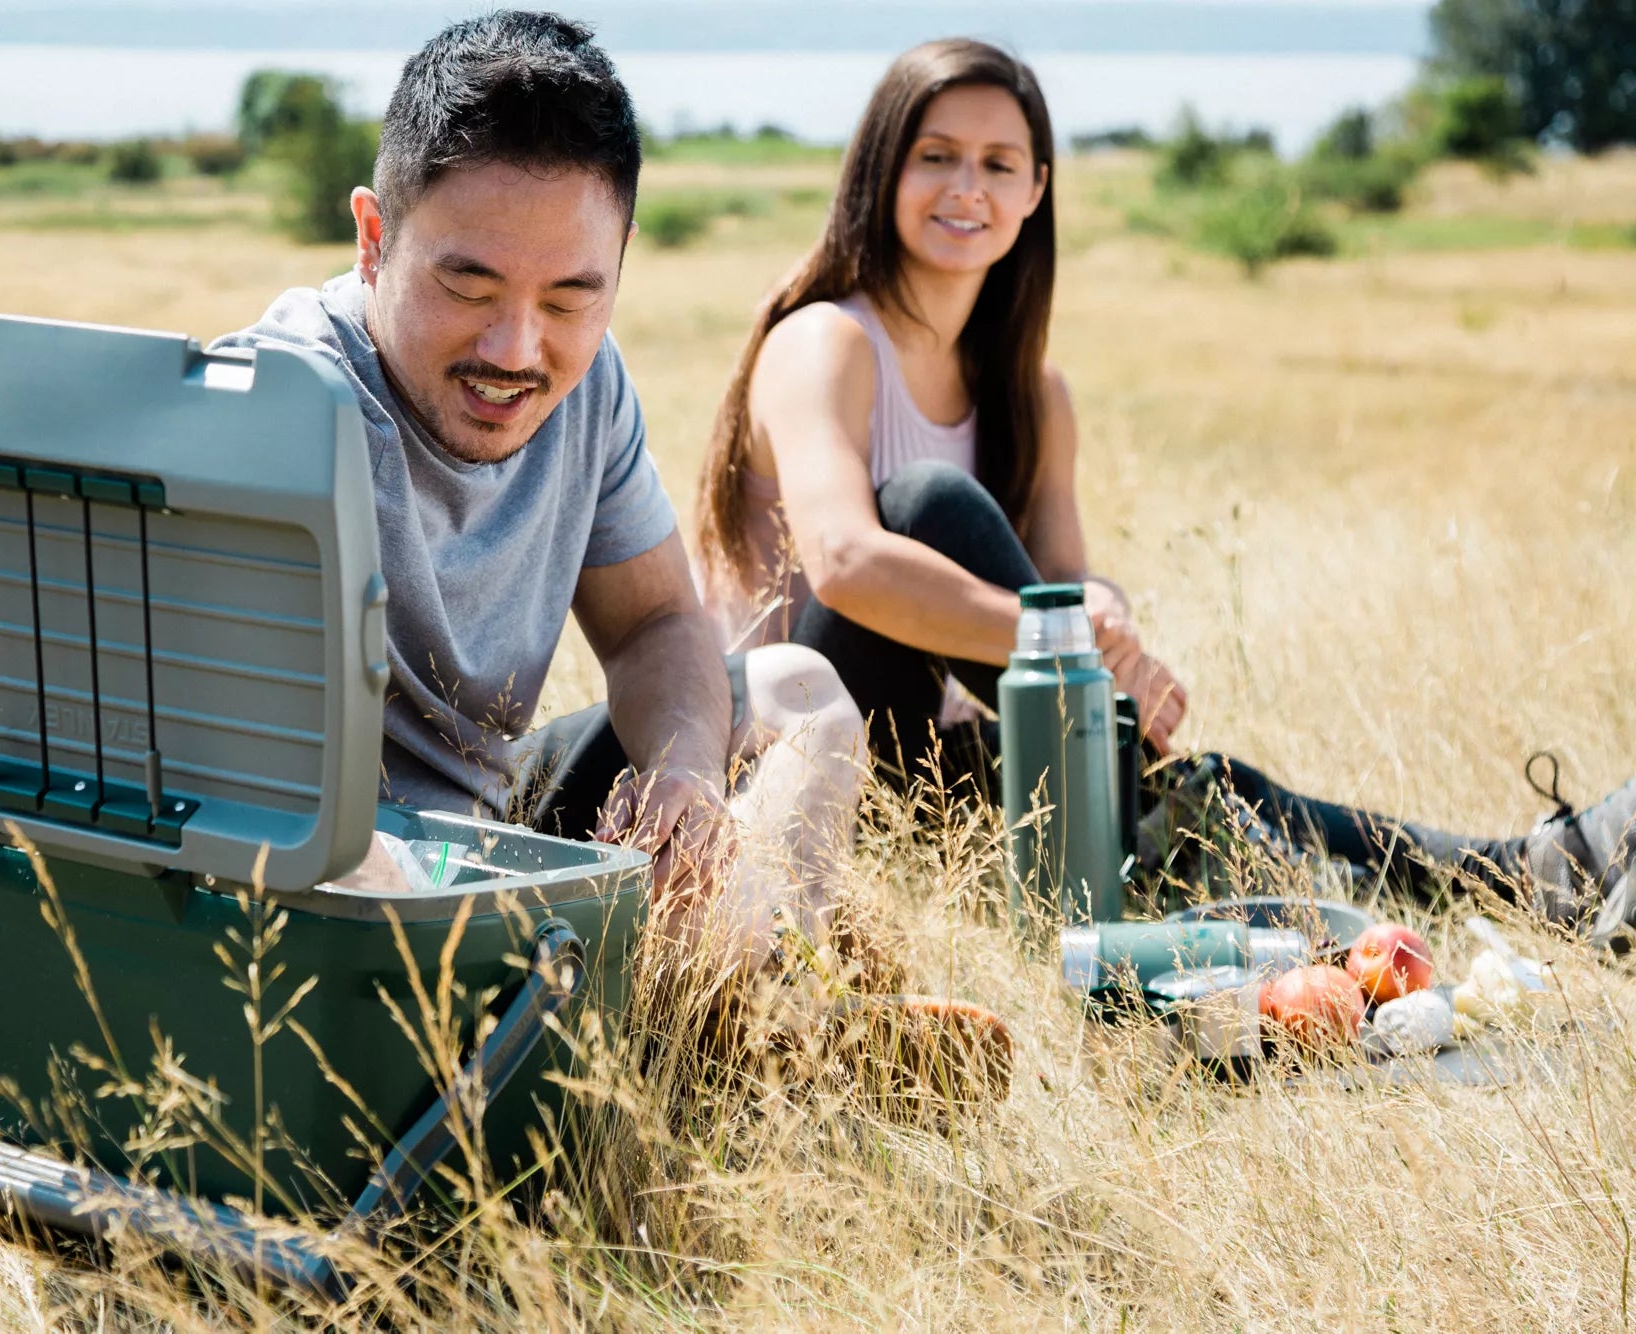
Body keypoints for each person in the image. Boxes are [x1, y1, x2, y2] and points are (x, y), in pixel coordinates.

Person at [691, 39, 1636, 950]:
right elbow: (850, 565)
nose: (967, 187)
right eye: (935, 156)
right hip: (796, 756)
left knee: (1210, 789)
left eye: (998, 161)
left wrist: (1107, 618)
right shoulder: (826, 341)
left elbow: (1062, 579)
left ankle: (1540, 867)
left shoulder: (1032, 393)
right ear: (879, 171)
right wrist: (1070, 641)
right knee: (929, 504)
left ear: (1037, 189)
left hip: (934, 768)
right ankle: (1139, 800)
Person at [209, 13, 890, 980]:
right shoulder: (272, 402)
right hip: (349, 871)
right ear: (373, 237)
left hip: (492, 825)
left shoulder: (592, 385)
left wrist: (685, 774)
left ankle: (742, 1002)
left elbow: (656, 620)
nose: (516, 352)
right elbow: (218, 771)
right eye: (469, 287)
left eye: (570, 299)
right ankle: (714, 1021)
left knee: (797, 692)